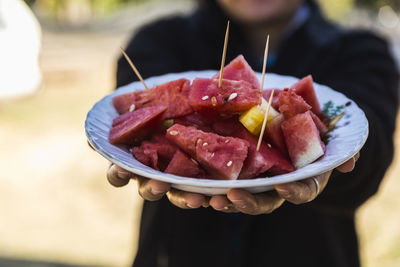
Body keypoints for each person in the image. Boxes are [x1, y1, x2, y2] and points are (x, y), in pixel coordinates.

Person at [107, 0, 399, 266]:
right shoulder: (158, 43)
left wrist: (332, 167)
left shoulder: (361, 52)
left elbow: (372, 154)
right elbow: (137, 124)